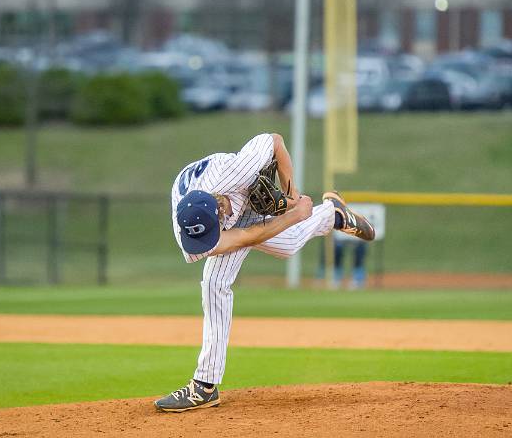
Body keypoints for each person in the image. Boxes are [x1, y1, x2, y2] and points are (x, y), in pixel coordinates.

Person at [154, 133, 375, 412]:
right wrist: (293, 216)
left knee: (287, 245)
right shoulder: (188, 235)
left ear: (219, 209)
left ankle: (331, 214)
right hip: (224, 206)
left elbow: (276, 141)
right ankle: (206, 386)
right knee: (215, 282)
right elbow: (243, 237)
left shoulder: (237, 170)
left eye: (213, 231)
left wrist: (292, 196)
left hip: (238, 191)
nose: (207, 241)